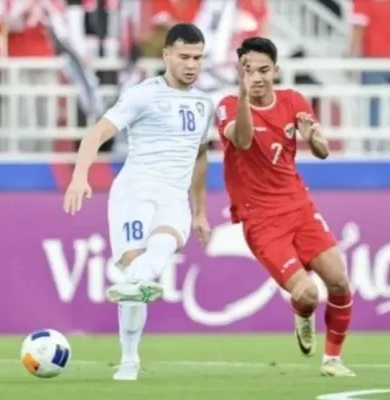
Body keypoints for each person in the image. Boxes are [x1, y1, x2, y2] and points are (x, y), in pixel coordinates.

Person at [63, 23, 213, 381]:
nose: (192, 65)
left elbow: (200, 156)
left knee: (154, 256)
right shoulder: (142, 95)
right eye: (184, 57)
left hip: (175, 197)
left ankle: (137, 280)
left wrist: (202, 211)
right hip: (136, 191)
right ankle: (129, 359)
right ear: (166, 56)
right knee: (136, 270)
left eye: (198, 58)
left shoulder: (205, 103)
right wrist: (80, 175)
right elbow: (97, 133)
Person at [214, 37, 354, 377]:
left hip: (299, 207)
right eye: (249, 70)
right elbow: (243, 141)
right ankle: (302, 313)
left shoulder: (293, 100)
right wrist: (245, 95)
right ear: (239, 72)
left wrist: (314, 138)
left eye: (264, 70)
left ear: (276, 70)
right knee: (308, 295)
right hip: (261, 220)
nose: (257, 77)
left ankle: (332, 361)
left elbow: (322, 151)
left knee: (339, 283)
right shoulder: (228, 105)